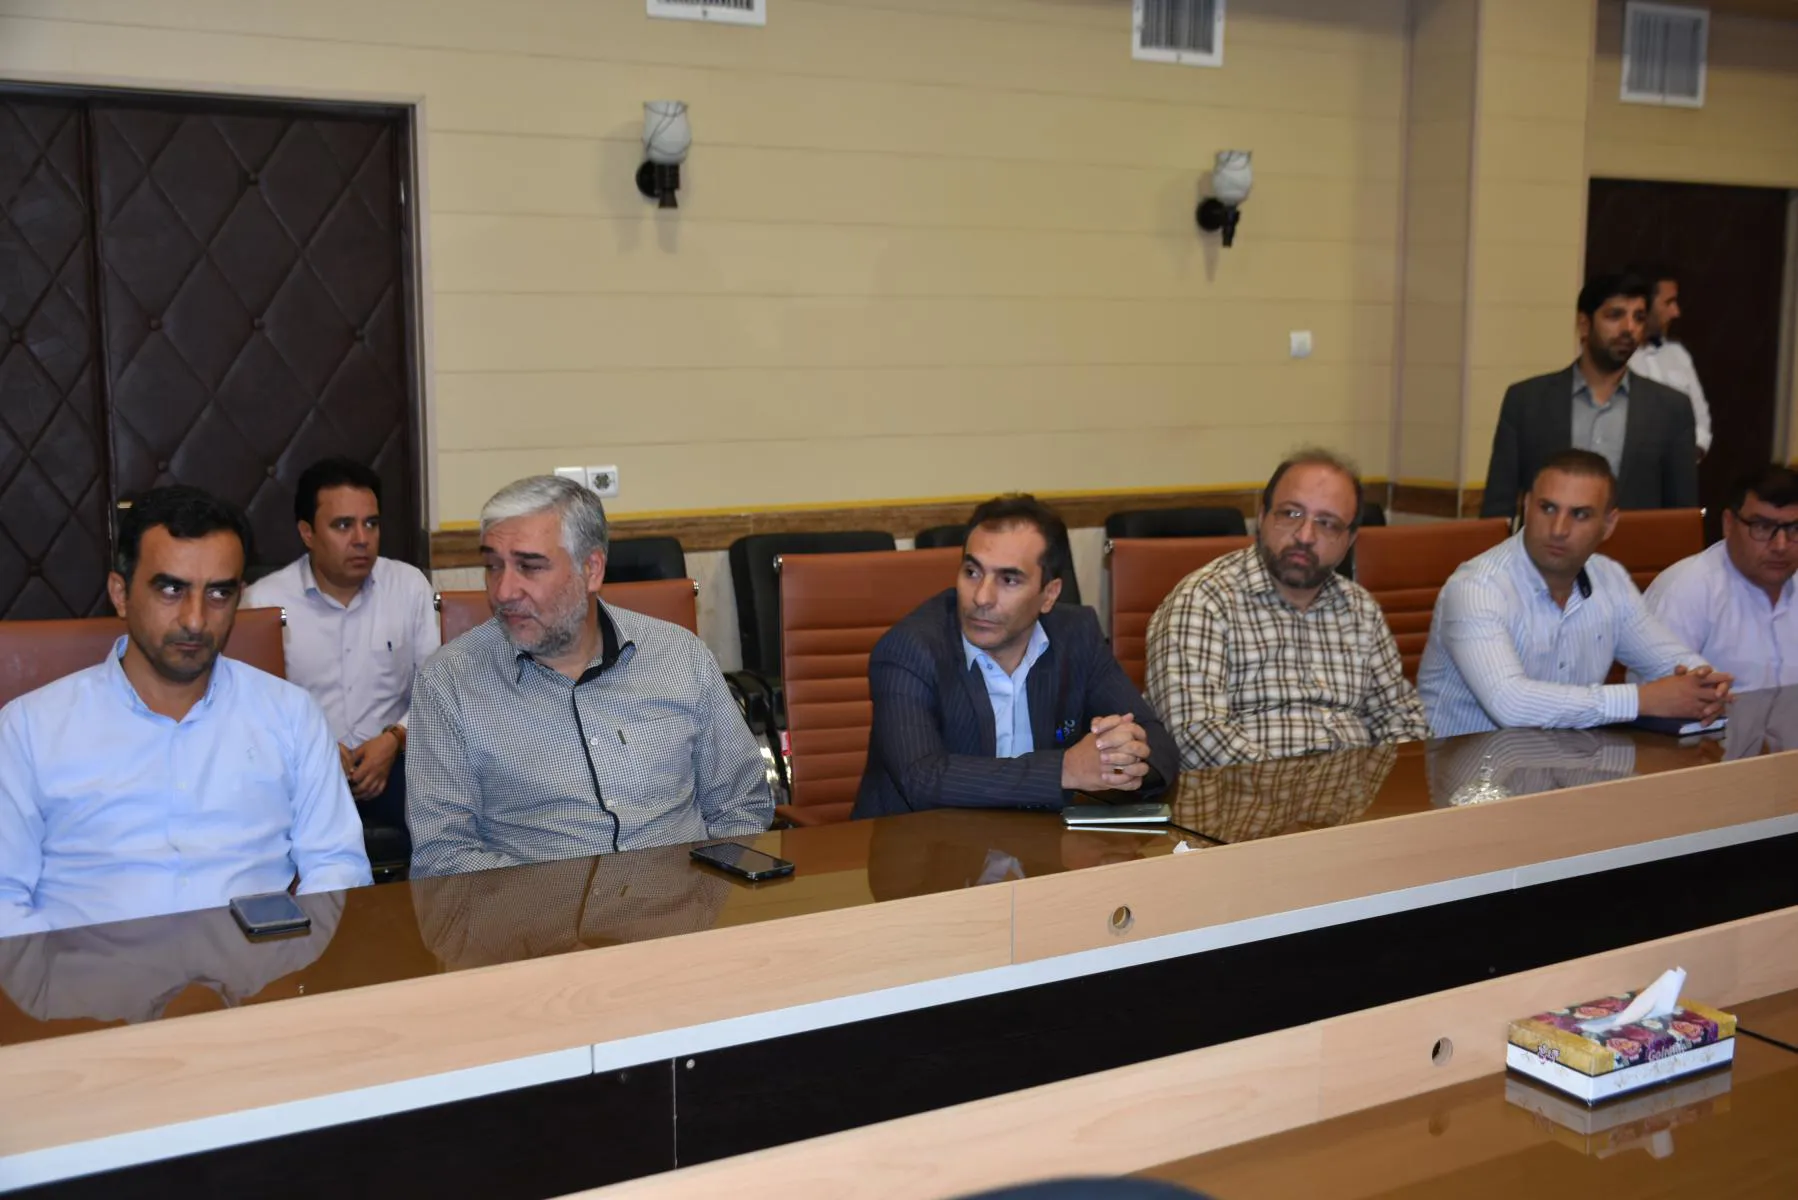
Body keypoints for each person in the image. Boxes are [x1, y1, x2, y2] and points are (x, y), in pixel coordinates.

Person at [0, 486, 372, 937]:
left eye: (218, 593)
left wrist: (295, 959)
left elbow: (337, 865)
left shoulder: (291, 716)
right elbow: (4, 897)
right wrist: (62, 977)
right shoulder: (30, 730)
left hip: (255, 971)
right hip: (88, 975)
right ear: (120, 593)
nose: (195, 620)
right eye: (172, 590)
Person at [406, 475, 771, 877]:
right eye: (493, 566)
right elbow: (444, 856)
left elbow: (740, 806)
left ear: (591, 569)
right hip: (537, 915)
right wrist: (569, 906)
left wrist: (706, 898)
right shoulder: (449, 683)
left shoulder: (679, 656)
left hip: (685, 904)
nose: (503, 590)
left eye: (530, 566)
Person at [855, 495, 1178, 818]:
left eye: (1009, 580)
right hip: (922, 843)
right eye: (972, 572)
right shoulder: (909, 649)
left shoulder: (1077, 636)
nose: (982, 597)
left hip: (1040, 842)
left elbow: (1157, 743)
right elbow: (921, 778)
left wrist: (1119, 757)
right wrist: (1064, 770)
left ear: (1049, 594)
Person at [1146, 450, 1428, 769]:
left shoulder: (1360, 608)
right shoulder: (1204, 600)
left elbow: (1402, 719)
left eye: (1327, 524)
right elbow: (1195, 735)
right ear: (1262, 516)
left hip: (1355, 792)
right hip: (1244, 794)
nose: (1305, 536)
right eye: (1291, 514)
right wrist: (1296, 787)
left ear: (1349, 540)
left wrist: (1380, 786)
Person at [1419, 451, 1730, 737]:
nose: (1558, 529)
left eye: (1580, 514)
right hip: (1469, 771)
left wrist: (1707, 688)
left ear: (1608, 525)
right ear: (1526, 506)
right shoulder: (1476, 587)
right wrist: (1641, 699)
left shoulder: (1610, 579)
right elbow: (1509, 703)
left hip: (1568, 764)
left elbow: (1672, 660)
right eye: (1547, 508)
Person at [244, 458, 439, 859]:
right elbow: (252, 710)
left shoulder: (409, 587)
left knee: (447, 823)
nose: (362, 539)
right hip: (303, 769)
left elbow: (437, 689)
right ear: (307, 533)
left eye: (371, 523)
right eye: (343, 525)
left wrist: (394, 740)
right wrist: (314, 749)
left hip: (396, 760)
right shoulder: (264, 602)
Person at [1480, 273, 1699, 521]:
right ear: (1584, 324)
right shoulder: (1527, 401)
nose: (1629, 328)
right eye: (1615, 315)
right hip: (1544, 545)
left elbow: (1682, 516)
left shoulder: (1671, 409)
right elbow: (1497, 507)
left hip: (1635, 546)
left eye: (1638, 318)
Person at [1641, 465, 1798, 690]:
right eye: (1763, 527)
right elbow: (1655, 696)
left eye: (1794, 528)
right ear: (1729, 524)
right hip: (1717, 715)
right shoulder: (1684, 591)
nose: (1781, 546)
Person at [1626, 262, 1711, 459]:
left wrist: (1687, 455)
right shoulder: (1617, 360)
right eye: (1668, 303)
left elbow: (1700, 418)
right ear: (1643, 305)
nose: (1676, 312)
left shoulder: (1677, 355)